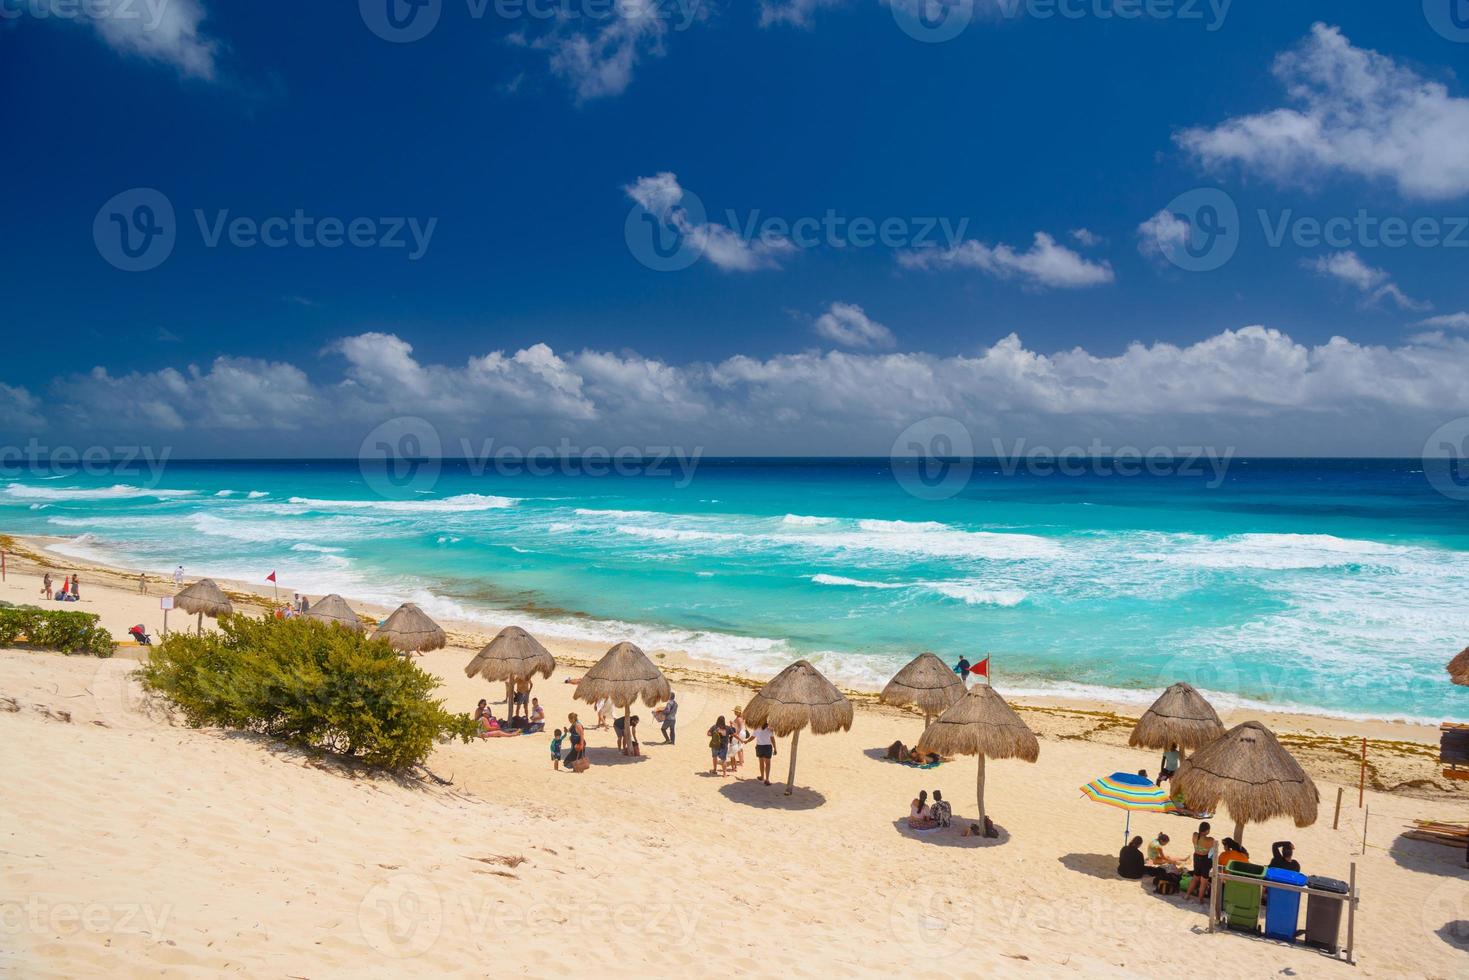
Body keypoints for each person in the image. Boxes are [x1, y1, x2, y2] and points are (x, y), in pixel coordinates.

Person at [1185, 822, 1215, 905]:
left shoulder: (1194, 835)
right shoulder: (1210, 840)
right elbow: (1214, 849)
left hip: (1196, 857)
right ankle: (1200, 899)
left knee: (1195, 877)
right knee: (1204, 881)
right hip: (1204, 860)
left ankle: (1187, 895)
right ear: (1207, 831)